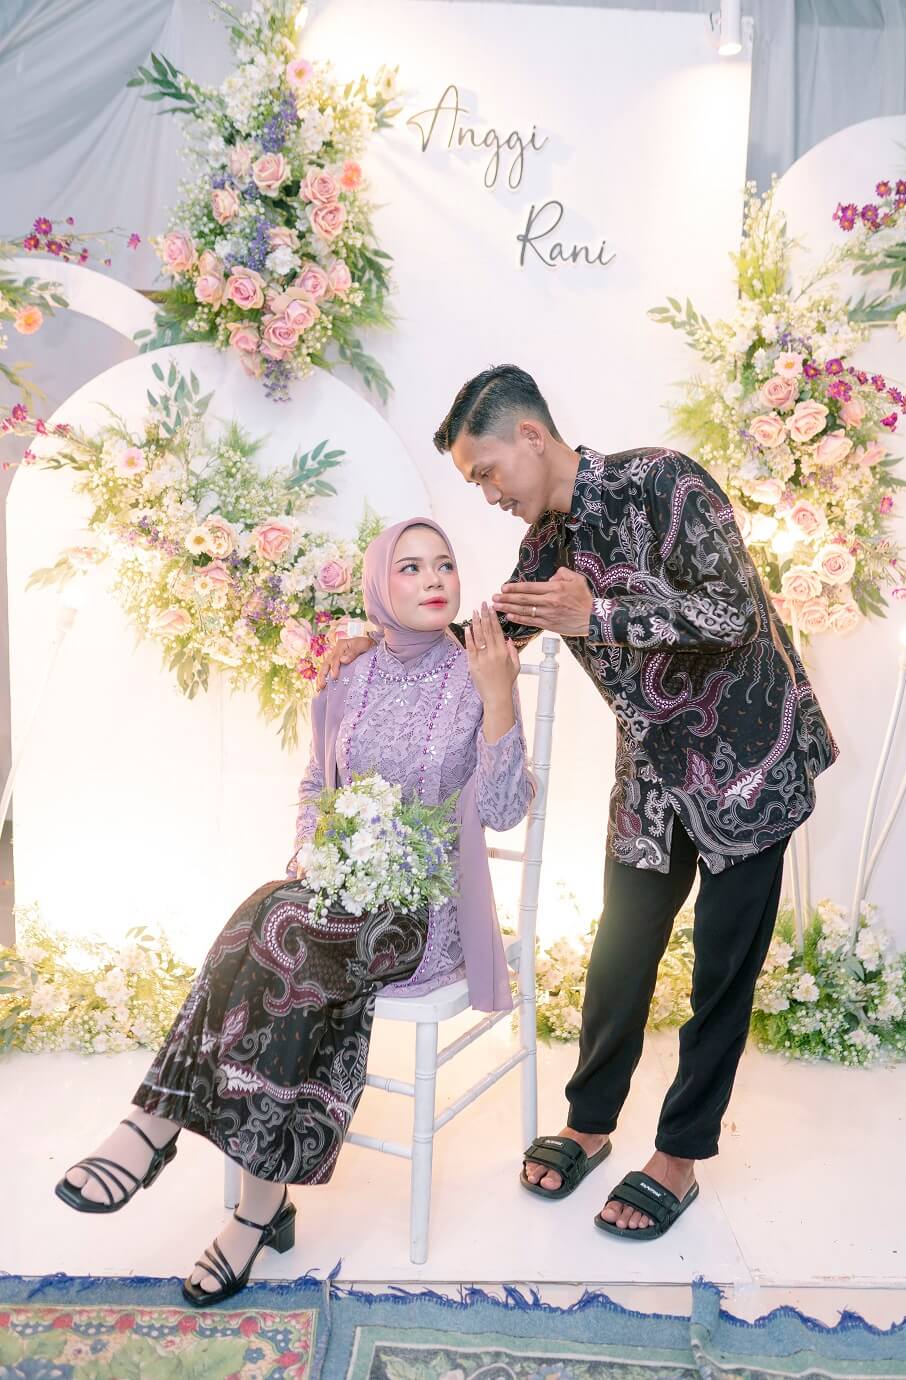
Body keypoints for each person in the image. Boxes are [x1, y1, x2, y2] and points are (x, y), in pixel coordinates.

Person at [320, 364, 839, 1242]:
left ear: (531, 436)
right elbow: (490, 635)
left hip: (750, 762)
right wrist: (387, 636)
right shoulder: (545, 549)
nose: (487, 494)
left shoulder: (663, 480)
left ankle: (679, 1154)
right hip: (653, 778)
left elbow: (734, 613)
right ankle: (590, 1123)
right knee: (619, 951)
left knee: (722, 965)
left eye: (487, 471)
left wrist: (597, 615)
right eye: (474, 483)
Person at [54, 518, 534, 1302]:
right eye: (411, 567)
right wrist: (315, 853)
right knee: (278, 919)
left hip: (422, 916)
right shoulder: (350, 672)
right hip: (334, 900)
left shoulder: (478, 672)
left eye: (444, 564)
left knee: (276, 927)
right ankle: (255, 1205)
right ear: (380, 585)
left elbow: (507, 809)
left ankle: (161, 1131)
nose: (433, 580)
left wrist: (500, 696)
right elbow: (316, 784)